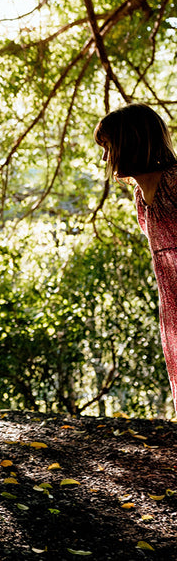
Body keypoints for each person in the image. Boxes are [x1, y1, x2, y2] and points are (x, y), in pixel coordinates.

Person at [94, 103, 177, 411]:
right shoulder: (140, 198)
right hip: (172, 307)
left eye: (109, 147)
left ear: (130, 143)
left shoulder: (176, 182)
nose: (105, 158)